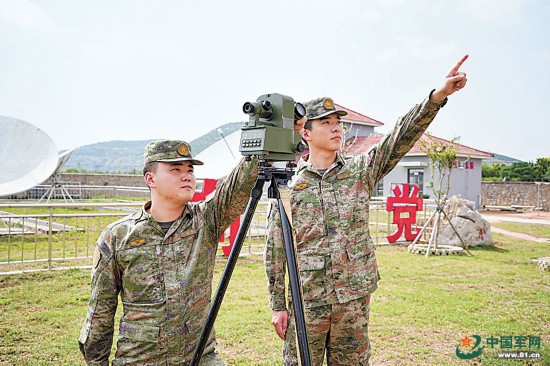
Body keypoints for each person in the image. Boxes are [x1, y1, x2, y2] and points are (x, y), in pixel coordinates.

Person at [265, 55, 469, 365]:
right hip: (308, 301)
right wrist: (278, 304)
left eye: (338, 122)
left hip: (353, 299)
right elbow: (276, 246)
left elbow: (400, 136)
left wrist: (436, 98)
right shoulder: (289, 185)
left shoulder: (361, 171)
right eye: (326, 122)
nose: (337, 128)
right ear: (305, 133)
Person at [78, 139, 259, 365]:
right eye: (175, 169)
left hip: (199, 357)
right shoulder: (118, 237)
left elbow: (239, 184)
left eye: (190, 170)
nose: (187, 176)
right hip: (140, 360)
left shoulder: (206, 221)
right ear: (150, 179)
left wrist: (261, 146)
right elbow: (100, 312)